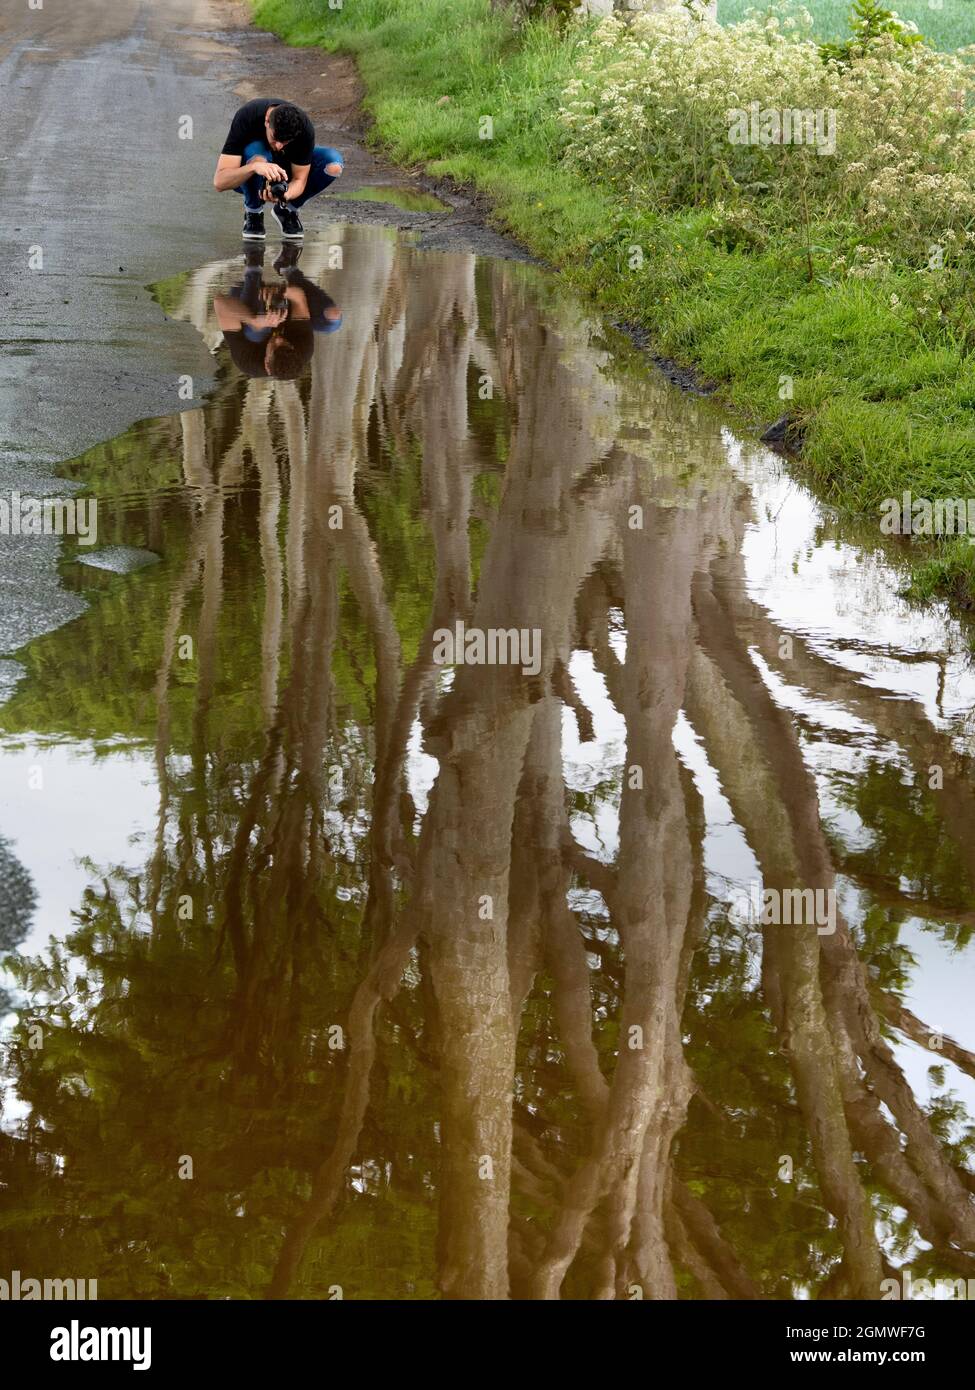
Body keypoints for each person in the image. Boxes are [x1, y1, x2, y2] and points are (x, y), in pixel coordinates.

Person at [212, 98, 344, 242]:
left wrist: (285, 195)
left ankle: (287, 210)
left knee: (333, 165)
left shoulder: (303, 127)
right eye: (275, 138)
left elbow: (300, 180)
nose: (279, 146)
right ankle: (253, 212)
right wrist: (255, 167)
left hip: (287, 168)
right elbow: (220, 182)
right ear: (266, 121)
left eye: (285, 142)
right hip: (251, 171)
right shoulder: (247, 116)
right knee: (257, 155)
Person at [213, 245, 343, 380]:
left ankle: (253, 264)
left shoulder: (247, 361)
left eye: (275, 346)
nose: (280, 340)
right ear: (294, 349)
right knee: (332, 319)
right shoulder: (303, 350)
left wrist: (253, 320)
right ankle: (287, 267)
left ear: (266, 364)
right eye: (286, 344)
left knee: (253, 333)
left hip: (243, 298)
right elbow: (299, 298)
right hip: (281, 302)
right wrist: (281, 291)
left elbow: (220, 302)